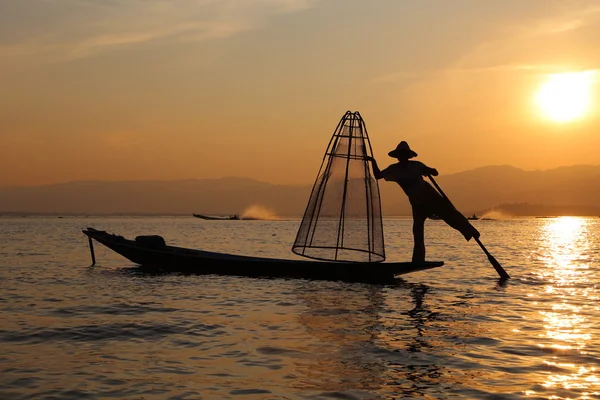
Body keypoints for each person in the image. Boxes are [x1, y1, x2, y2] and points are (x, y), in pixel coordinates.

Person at [366, 141, 479, 263]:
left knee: (450, 214)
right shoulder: (394, 169)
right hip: (417, 203)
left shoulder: (416, 165)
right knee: (417, 230)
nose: (402, 157)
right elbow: (378, 175)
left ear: (408, 156)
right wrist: (372, 161)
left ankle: (470, 231)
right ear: (398, 156)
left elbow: (433, 171)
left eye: (404, 154)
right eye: (400, 155)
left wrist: (431, 170)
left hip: (430, 196)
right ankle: (418, 259)